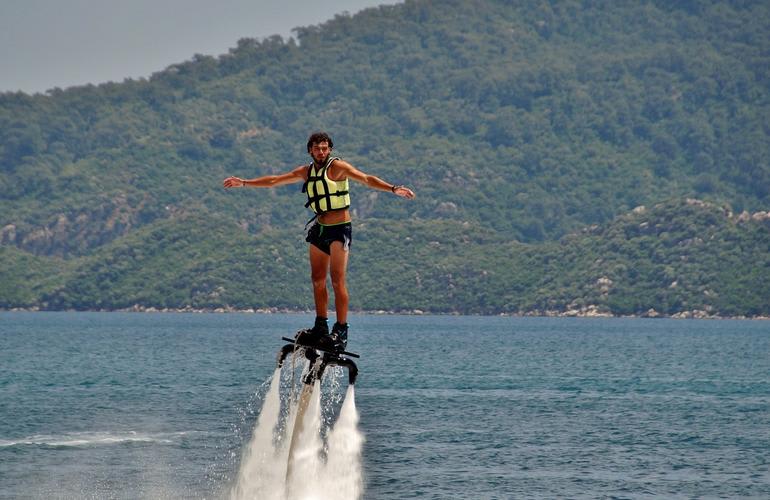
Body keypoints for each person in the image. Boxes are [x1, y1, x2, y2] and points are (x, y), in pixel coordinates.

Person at [223, 131, 415, 352]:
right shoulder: (306, 171)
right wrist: (244, 183)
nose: (321, 152)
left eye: (324, 148)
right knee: (317, 279)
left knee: (337, 280)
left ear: (329, 149)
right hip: (320, 229)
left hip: (339, 229)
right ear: (310, 150)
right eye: (317, 148)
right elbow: (275, 180)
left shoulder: (338, 167)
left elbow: (366, 179)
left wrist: (393, 188)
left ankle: (341, 331)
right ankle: (321, 327)